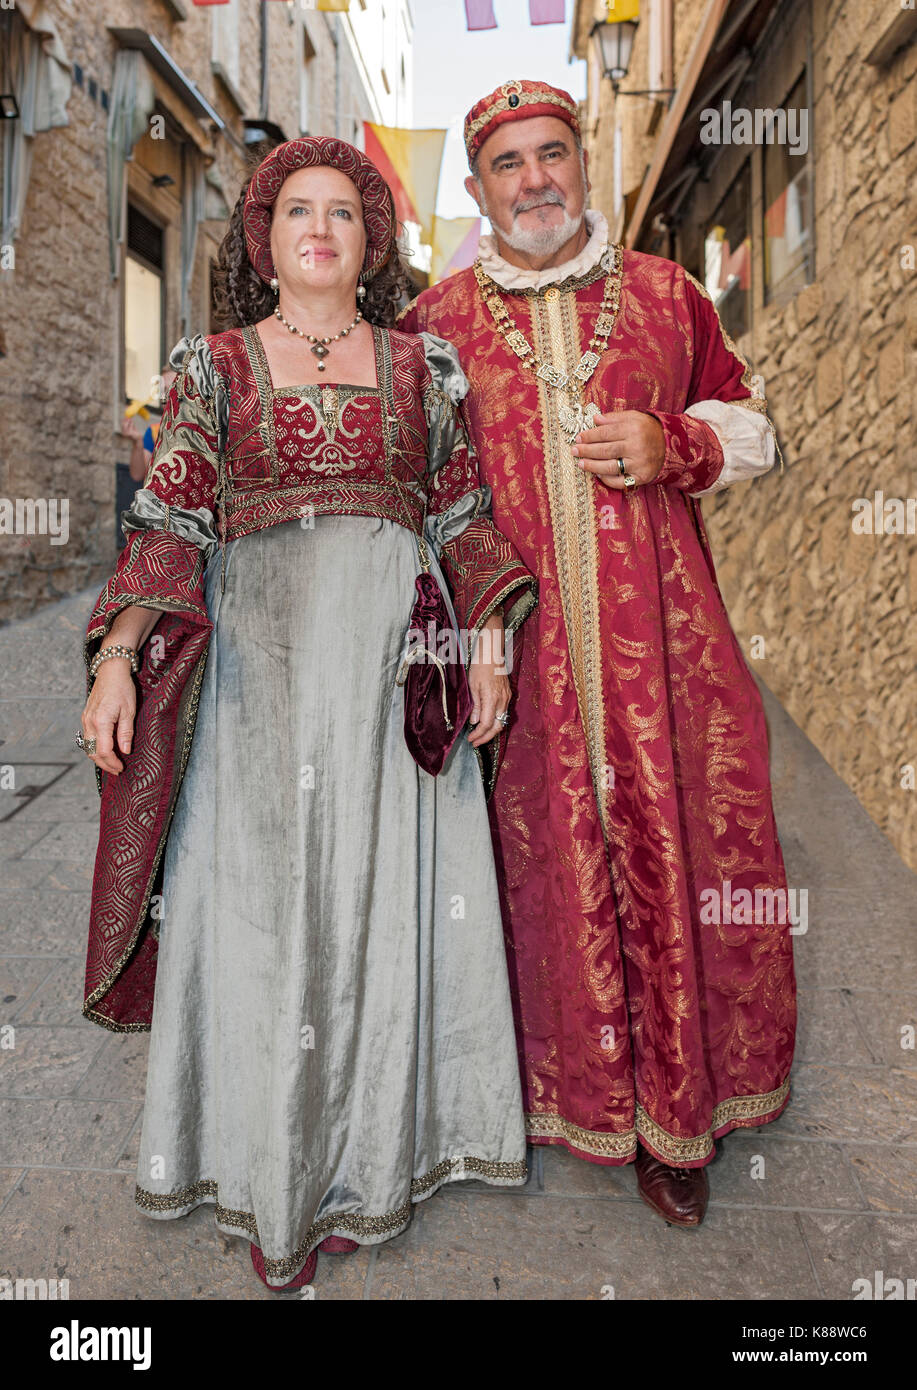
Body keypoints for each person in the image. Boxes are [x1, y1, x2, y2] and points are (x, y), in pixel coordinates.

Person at [78, 135, 538, 1289]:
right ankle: (269, 1172)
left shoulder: (425, 368)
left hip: (389, 671)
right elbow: (169, 518)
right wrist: (120, 658)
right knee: (265, 921)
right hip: (256, 680)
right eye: (296, 212)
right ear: (265, 239)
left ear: (370, 240)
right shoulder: (212, 367)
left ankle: (369, 1167)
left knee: (375, 910)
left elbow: (461, 516)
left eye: (341, 210)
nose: (319, 227)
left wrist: (485, 638)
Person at [399, 80, 797, 1227]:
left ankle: (676, 1120)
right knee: (536, 877)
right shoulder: (438, 325)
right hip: (514, 664)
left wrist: (667, 439)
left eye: (551, 155)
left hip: (666, 662)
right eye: (509, 164)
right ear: (477, 190)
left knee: (678, 857)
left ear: (584, 166)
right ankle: (542, 1098)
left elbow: (754, 426)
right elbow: (422, 490)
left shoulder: (669, 297)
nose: (534, 179)